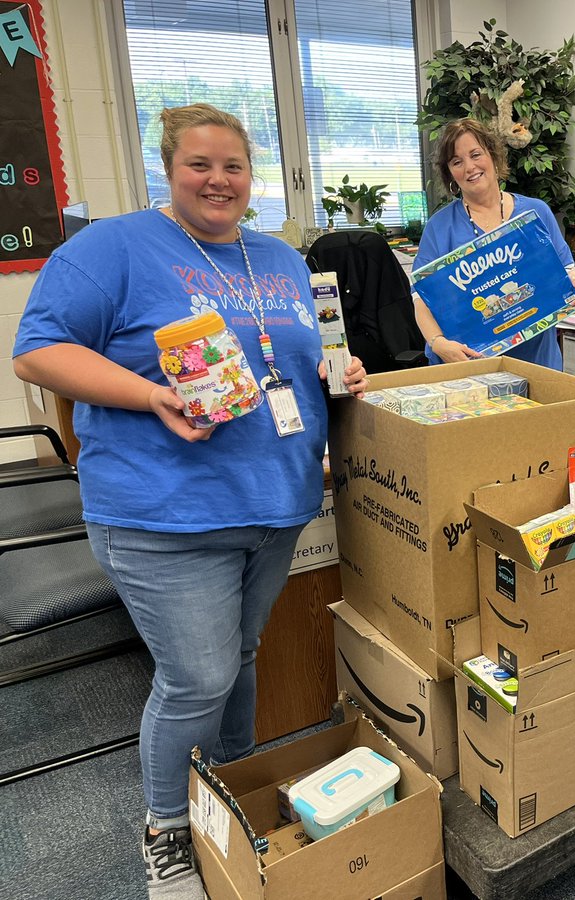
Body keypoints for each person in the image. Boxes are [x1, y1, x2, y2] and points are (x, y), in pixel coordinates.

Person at [12, 103, 368, 898]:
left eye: (233, 166)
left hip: (274, 506)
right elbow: (36, 352)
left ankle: (230, 792)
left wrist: (340, 374)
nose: (218, 180)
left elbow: (312, 353)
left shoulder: (277, 257)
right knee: (197, 679)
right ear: (167, 170)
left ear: (252, 176)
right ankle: (169, 829)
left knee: (238, 659)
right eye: (199, 165)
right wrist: (151, 396)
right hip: (161, 512)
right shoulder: (115, 247)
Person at [412, 117, 575, 368]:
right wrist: (438, 343)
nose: (469, 167)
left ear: (493, 155)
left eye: (475, 154)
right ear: (449, 172)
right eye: (456, 161)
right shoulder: (439, 228)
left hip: (538, 361)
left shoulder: (536, 213)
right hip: (470, 368)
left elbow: (567, 270)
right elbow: (420, 297)